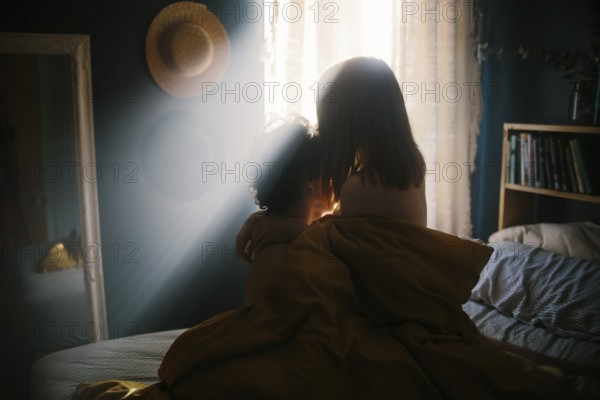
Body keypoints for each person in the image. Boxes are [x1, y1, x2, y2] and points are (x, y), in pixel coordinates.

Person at [237, 56, 427, 259]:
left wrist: (295, 231)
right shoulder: (410, 166)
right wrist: (260, 220)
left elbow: (345, 255)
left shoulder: (361, 186)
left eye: (325, 117)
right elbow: (353, 240)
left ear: (344, 119)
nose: (322, 128)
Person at [242, 117, 331, 305]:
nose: (336, 181)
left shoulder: (275, 240)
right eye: (330, 172)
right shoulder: (293, 254)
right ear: (311, 176)